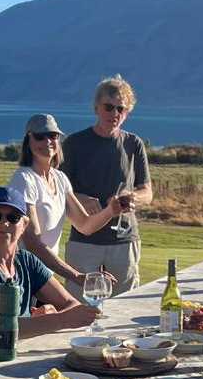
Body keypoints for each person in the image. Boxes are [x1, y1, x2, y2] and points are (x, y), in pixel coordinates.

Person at [0, 187, 100, 361]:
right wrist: (59, 320)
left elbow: (70, 303)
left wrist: (48, 316)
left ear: (24, 225)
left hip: (15, 357)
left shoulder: (27, 261)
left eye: (13, 218)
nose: (4, 223)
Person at [7, 113, 127, 287]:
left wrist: (110, 211)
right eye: (40, 136)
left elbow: (85, 225)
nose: (47, 141)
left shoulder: (60, 178)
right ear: (28, 141)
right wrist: (77, 276)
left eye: (53, 136)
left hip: (43, 275)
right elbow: (33, 242)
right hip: (23, 276)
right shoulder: (24, 179)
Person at [60, 75, 153, 298]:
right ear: (96, 107)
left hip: (124, 239)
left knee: (123, 306)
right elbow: (57, 189)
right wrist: (81, 198)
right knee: (77, 307)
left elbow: (147, 192)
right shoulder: (74, 144)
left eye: (121, 109)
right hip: (84, 240)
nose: (114, 114)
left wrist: (133, 198)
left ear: (127, 112)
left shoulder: (134, 144)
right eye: (109, 107)